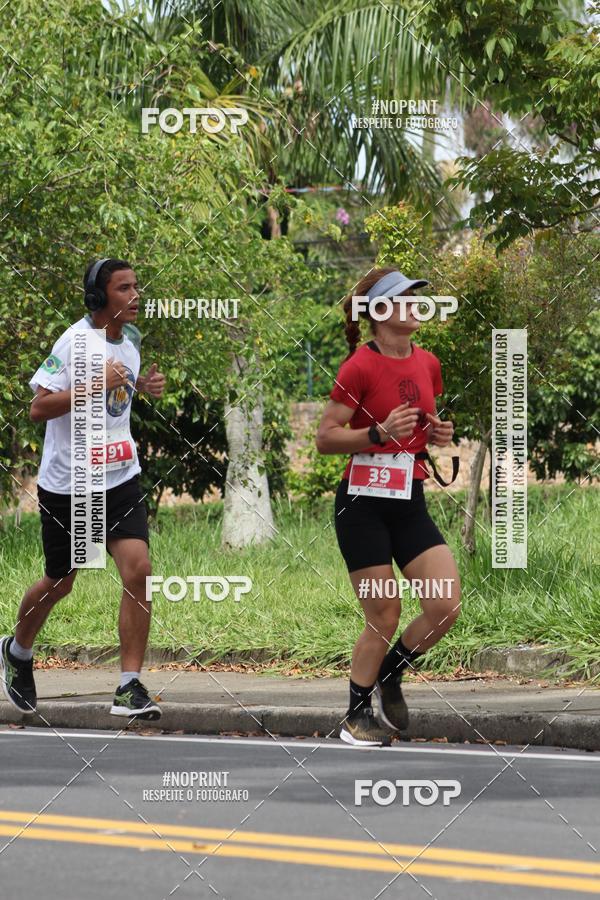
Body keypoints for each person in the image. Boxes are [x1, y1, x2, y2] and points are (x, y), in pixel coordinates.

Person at [0, 258, 166, 721]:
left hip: (120, 478)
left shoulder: (129, 343)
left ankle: (128, 687)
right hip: (73, 485)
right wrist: (96, 384)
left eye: (137, 287)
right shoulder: (74, 342)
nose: (135, 296)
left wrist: (143, 386)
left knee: (139, 572)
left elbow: (119, 401)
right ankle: (17, 650)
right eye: (123, 288)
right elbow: (39, 408)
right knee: (62, 581)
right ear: (99, 297)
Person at [316, 267, 461, 746]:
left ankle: (391, 674)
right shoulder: (359, 366)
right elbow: (325, 437)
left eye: (417, 296)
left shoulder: (429, 362)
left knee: (444, 604)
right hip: (362, 504)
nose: (416, 304)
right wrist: (376, 433)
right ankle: (356, 715)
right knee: (384, 611)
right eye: (403, 299)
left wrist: (439, 434)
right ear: (379, 313)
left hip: (408, 499)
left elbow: (426, 422)